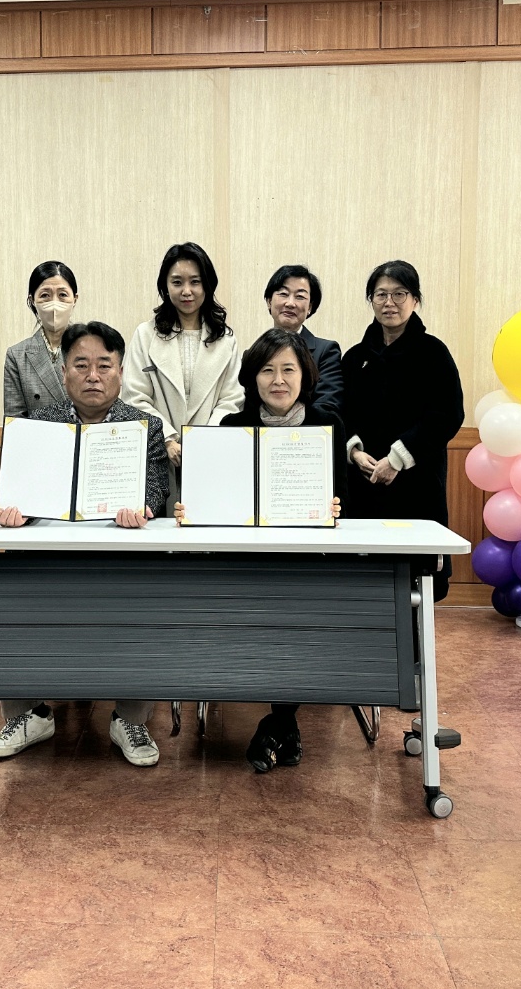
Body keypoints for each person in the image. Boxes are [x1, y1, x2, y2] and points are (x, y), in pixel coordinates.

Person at [0, 321, 171, 767]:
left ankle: (130, 719)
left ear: (120, 372)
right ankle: (28, 715)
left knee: (151, 600)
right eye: (81, 365)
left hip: (120, 550)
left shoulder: (144, 425)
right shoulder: (38, 424)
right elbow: (17, 492)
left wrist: (142, 507)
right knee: (6, 591)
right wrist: (12, 509)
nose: (93, 376)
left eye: (104, 365)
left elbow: (156, 487)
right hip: (49, 554)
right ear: (64, 372)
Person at [173, 328, 344, 773]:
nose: (278, 380)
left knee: (300, 619)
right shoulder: (232, 427)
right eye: (267, 370)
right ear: (252, 378)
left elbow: (344, 500)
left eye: (288, 369)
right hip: (243, 562)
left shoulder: (326, 425)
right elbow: (212, 497)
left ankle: (277, 722)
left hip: (307, 562)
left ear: (305, 375)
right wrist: (191, 507)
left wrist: (334, 506)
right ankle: (283, 725)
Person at [341, 260, 464, 596]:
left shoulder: (434, 353)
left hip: (416, 480)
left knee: (417, 579)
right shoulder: (354, 357)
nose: (389, 302)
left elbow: (448, 414)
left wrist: (397, 459)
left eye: (399, 294)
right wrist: (354, 451)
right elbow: (340, 412)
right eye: (381, 294)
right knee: (364, 578)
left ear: (415, 300)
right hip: (363, 479)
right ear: (371, 300)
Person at [122, 242, 243, 502]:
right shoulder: (145, 335)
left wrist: (204, 441)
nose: (186, 291)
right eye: (177, 282)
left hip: (211, 452)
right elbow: (134, 397)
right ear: (165, 286)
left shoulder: (226, 339)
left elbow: (232, 399)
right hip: (157, 452)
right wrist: (167, 438)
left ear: (207, 285)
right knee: (160, 521)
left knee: (205, 516)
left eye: (195, 282)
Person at [263, 264, 343, 415]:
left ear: (310, 307)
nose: (290, 303)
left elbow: (327, 405)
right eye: (283, 294)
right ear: (269, 301)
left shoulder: (326, 352)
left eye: (300, 296)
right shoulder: (253, 353)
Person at [3, 260, 78, 418]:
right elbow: (15, 420)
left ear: (75, 299)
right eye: (45, 295)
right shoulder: (17, 356)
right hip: (37, 434)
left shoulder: (92, 350)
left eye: (62, 295)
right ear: (32, 300)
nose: (54, 303)